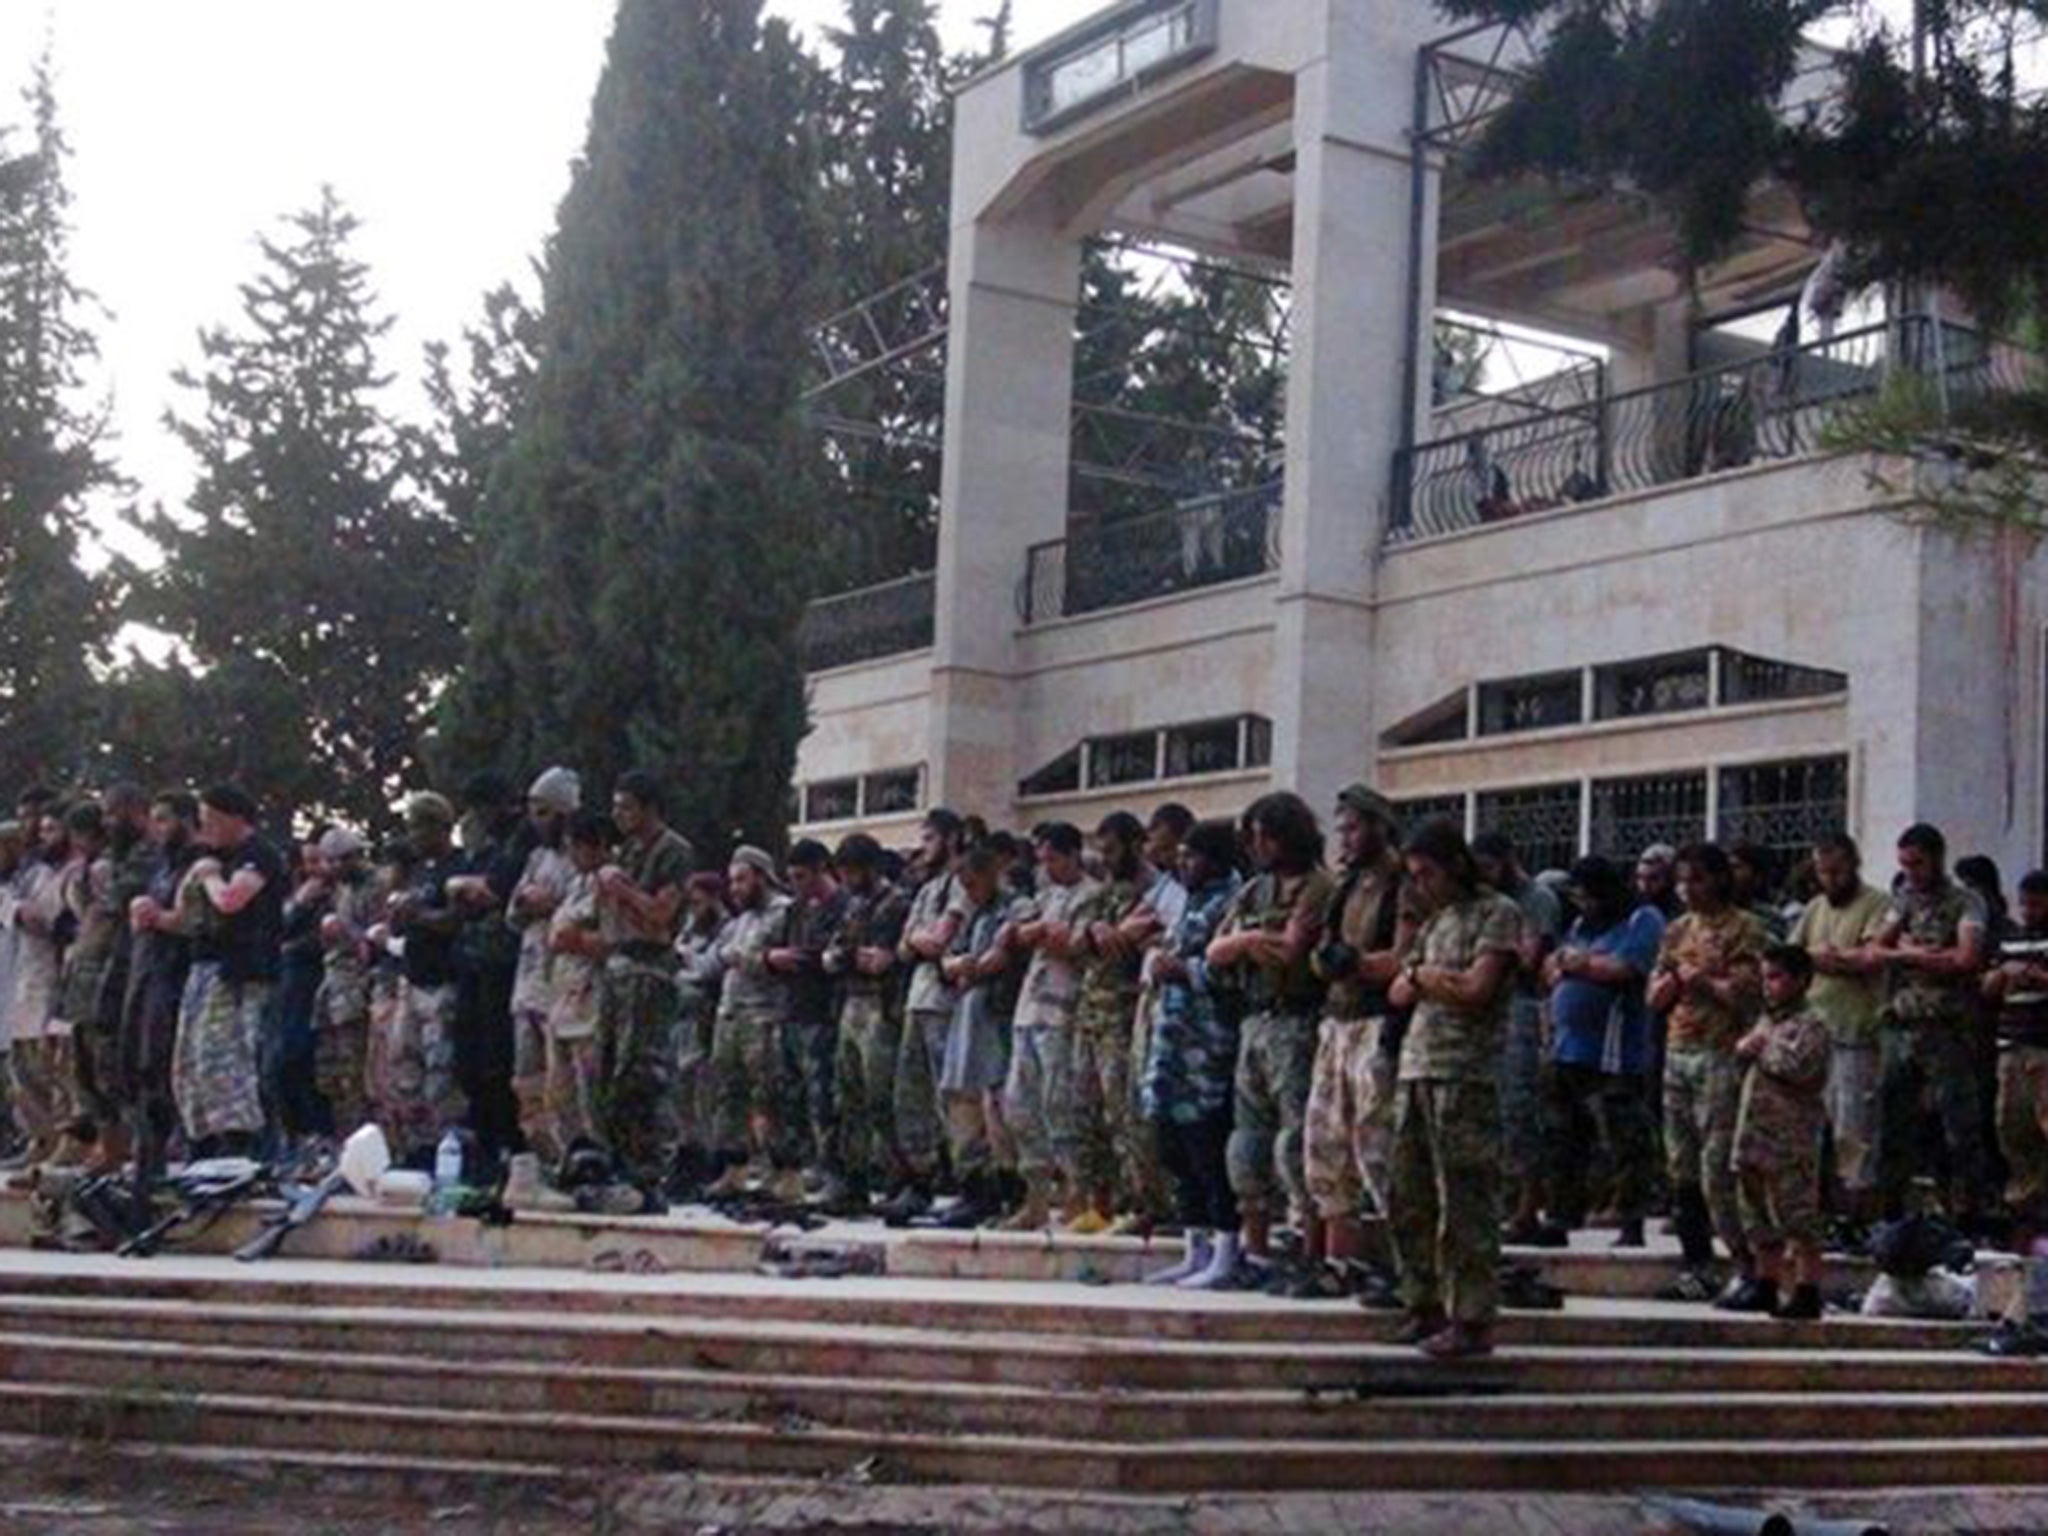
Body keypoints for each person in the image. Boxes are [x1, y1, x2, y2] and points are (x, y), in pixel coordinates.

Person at [1386, 819, 1524, 1359]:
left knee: (1466, 1202)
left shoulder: (1498, 914)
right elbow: (1398, 988)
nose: (1422, 885)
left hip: (1466, 1073)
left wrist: (1425, 978)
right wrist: (1424, 977)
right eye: (1414, 876)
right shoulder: (1436, 920)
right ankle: (1422, 1303)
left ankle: (1471, 1317)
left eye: (1428, 873)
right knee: (1408, 1197)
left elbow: (1476, 987)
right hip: (1417, 1068)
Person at [1207, 793, 1334, 1279]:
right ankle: (1254, 1248)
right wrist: (1244, 942)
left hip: (1297, 1020)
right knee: (1247, 1143)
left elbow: (1290, 950)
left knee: (1297, 1140)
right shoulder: (1255, 890)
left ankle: (1310, 1247)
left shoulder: (1318, 886)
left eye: (1265, 834)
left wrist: (1248, 943)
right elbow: (1217, 950)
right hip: (1255, 1018)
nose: (1257, 844)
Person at [1301, 785, 1414, 1297]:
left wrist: (1358, 964)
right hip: (1336, 1022)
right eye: (1340, 828)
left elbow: (1406, 959)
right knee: (1324, 1145)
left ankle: (1405, 1267)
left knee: (1380, 1148)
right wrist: (1328, 960)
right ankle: (1340, 1264)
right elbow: (1320, 952)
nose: (1343, 838)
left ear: (1378, 826)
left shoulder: (1405, 883)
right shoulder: (1346, 885)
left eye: (1352, 827)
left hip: (1379, 1025)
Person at [1648, 843, 1767, 1302]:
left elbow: (1744, 995)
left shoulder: (1745, 928)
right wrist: (1672, 982)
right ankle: (1695, 1264)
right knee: (1681, 1164)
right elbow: (1654, 996)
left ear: (1718, 878)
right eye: (1681, 880)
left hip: (1721, 1052)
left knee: (1718, 1164)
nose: (1687, 889)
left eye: (1696, 879)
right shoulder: (1677, 930)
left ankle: (1746, 1262)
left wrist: (1698, 980)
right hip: (1679, 1049)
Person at [1539, 855, 1664, 1249]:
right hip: (1567, 1048)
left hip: (1613, 1051)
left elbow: (1626, 968)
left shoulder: (1641, 919)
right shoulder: (1580, 925)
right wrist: (1565, 964)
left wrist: (1581, 965)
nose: (1584, 905)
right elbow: (1553, 966)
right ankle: (1561, 1216)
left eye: (1590, 897)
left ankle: (1631, 1222)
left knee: (1624, 1139)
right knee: (1563, 1138)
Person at [1141, 819, 1245, 1286]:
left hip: (1209, 1045)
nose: (1183, 864)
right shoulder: (1192, 903)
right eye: (1181, 856)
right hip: (1173, 1041)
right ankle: (1195, 1246)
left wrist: (1182, 969)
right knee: (1173, 1144)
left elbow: (1234, 972)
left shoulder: (1234, 901)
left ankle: (1226, 1250)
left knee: (1208, 1145)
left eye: (1192, 856)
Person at [1873, 823, 1991, 1226]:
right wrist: (1921, 953)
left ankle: (1967, 1216)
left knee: (1959, 1130)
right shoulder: (1904, 898)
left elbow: (1966, 959)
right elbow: (1877, 947)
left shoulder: (1966, 901)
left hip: (1947, 1030)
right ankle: (1892, 1217)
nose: (1910, 872)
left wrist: (1908, 954)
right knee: (1894, 1126)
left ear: (1937, 858)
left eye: (1917, 863)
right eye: (1904, 864)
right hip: (1903, 1026)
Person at [592, 771, 693, 1204]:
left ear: (649, 808)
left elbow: (660, 917)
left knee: (643, 1076)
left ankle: (648, 1175)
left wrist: (623, 889)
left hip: (650, 971)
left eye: (626, 806)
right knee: (611, 1074)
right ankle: (620, 1165)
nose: (618, 815)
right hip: (618, 965)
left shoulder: (673, 851)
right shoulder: (628, 851)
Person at [173, 785, 286, 1159]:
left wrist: (208, 876)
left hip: (240, 971)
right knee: (191, 1059)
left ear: (232, 818)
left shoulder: (259, 855)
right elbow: (188, 916)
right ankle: (202, 1141)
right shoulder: (214, 856)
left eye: (210, 822)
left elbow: (232, 900)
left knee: (225, 1059)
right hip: (204, 965)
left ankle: (241, 1145)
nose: (205, 831)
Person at [1791, 833, 1890, 1236]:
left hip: (1856, 1035)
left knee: (1854, 1132)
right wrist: (1824, 959)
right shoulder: (1814, 909)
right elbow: (1793, 957)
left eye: (1836, 871)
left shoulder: (1877, 903)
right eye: (1821, 872)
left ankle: (1856, 1218)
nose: (1828, 880)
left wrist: (1830, 959)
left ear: (1854, 865)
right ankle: (1820, 1215)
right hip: (1814, 1036)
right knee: (1813, 1131)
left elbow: (1868, 959)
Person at [1001, 822, 1096, 1231]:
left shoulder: (1092, 895)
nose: (1047, 867)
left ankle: (1076, 1191)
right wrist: (1033, 933)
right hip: (1030, 1010)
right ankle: (1035, 1196)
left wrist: (1039, 935)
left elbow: (1074, 945)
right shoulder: (1045, 895)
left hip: (1063, 1011)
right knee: (1019, 1104)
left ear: (1073, 854)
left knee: (1061, 1105)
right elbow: (1015, 934)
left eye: (1053, 858)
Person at [1729, 944, 1832, 1319]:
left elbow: (1799, 1066)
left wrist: (1759, 1048)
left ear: (1801, 980)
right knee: (1756, 1212)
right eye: (1765, 977)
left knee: (1797, 1213)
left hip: (1791, 1136)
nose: (1768, 985)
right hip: (1755, 1131)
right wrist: (1749, 1046)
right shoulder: (1768, 1019)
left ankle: (1807, 1288)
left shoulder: (1812, 1023)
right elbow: (1743, 1050)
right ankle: (1765, 1282)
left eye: (1776, 977)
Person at [1472, 829, 1564, 1243]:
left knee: (1520, 1109)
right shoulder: (1484, 901)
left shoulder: (1536, 899)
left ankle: (1529, 1207)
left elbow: (1529, 957)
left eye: (1490, 866)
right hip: (1487, 1013)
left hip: (1523, 1008)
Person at [1068, 812, 1153, 1233]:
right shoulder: (1102, 893)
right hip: (1090, 1013)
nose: (1106, 858)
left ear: (1137, 844)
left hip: (1125, 1014)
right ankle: (1097, 1202)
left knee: (1125, 1113)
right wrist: (1098, 934)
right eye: (1101, 850)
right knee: (1086, 1112)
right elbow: (1074, 940)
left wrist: (1109, 934)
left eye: (1113, 849)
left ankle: (1141, 1203)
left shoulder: (1156, 890)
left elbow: (1132, 940)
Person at [885, 810, 968, 1221]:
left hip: (945, 1003)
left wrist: (921, 940)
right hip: (917, 998)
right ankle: (919, 1179)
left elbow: (939, 941)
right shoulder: (926, 888)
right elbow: (905, 946)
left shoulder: (961, 885)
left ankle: (956, 1181)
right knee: (910, 1096)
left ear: (952, 839)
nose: (924, 847)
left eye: (932, 838)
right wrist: (921, 940)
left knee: (946, 1096)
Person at [938, 844, 1025, 1226]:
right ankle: (973, 1188)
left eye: (973, 884)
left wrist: (978, 965)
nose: (969, 893)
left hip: (997, 1015)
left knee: (997, 1107)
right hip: (967, 1015)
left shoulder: (1016, 907)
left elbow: (1003, 954)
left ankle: (1009, 1191)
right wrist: (958, 964)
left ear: (991, 874)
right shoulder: (975, 914)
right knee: (962, 1105)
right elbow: (949, 957)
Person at [449, 773, 533, 1161]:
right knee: (469, 1059)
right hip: (475, 959)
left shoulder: (523, 837)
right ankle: (485, 1141)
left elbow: (491, 892)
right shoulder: (488, 845)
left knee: (500, 1060)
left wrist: (463, 888)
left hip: (506, 962)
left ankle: (508, 1145)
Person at [821, 835, 906, 1213]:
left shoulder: (895, 903)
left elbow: (883, 959)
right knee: (848, 1095)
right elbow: (835, 954)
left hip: (880, 1005)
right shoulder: (852, 904)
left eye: (851, 871)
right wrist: (847, 957)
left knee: (881, 1096)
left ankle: (898, 1178)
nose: (847, 879)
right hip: (852, 1001)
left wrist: (850, 957)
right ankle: (852, 1180)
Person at [120, 792, 200, 1188]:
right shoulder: (159, 867)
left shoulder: (200, 864)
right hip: (147, 972)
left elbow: (198, 923)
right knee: (139, 1066)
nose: (157, 829)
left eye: (165, 820)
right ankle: (146, 1153)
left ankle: (174, 1148)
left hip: (177, 977)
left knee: (166, 1067)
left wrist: (159, 917)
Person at [72, 786, 152, 1172]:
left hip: (125, 973)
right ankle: (109, 1147)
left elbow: (118, 903)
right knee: (87, 1067)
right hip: (92, 977)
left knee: (117, 1068)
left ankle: (133, 1148)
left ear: (136, 812)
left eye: (113, 813)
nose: (107, 823)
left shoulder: (144, 856)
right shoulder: (107, 861)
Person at [385, 792, 467, 1164]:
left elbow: (453, 919)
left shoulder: (457, 866)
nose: (413, 835)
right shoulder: (419, 871)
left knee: (439, 1070)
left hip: (442, 980)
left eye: (419, 826)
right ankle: (415, 1143)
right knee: (404, 1063)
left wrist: (416, 915)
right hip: (412, 978)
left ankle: (443, 1146)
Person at [708, 846, 794, 1200]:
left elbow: (782, 961)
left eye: (742, 879)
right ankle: (735, 1168)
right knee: (730, 1093)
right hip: (730, 1012)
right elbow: (717, 954)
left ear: (761, 876)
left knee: (770, 1095)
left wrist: (744, 957)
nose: (735, 888)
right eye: (732, 881)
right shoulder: (739, 919)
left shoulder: (784, 912)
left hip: (765, 1014)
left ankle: (785, 1171)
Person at [506, 768, 581, 1160]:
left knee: (562, 1082)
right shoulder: (535, 858)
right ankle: (537, 1155)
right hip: (528, 982)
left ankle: (569, 1155)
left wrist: (547, 904)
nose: (536, 821)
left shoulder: (580, 857)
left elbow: (583, 912)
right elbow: (513, 912)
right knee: (526, 1080)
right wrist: (526, 902)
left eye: (544, 812)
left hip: (563, 985)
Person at [7, 808, 84, 1168]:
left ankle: (67, 1141)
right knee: (22, 1071)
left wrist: (20, 912)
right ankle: (41, 1138)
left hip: (55, 981)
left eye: (52, 829)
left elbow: (53, 924)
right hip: (21, 984)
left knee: (56, 1068)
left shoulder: (74, 873)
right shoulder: (34, 875)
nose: (42, 837)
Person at [771, 840, 848, 1196]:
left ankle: (832, 1166)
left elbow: (834, 956)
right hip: (792, 1008)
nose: (796, 885)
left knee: (825, 1097)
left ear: (821, 869)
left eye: (802, 876)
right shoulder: (796, 909)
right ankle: (799, 1168)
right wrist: (776, 957)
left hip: (823, 1011)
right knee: (791, 1096)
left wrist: (802, 958)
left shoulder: (841, 906)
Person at [541, 811, 614, 1162]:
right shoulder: (575, 886)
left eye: (576, 847)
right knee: (559, 1091)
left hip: (593, 996)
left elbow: (618, 940)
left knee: (592, 1091)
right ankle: (569, 1159)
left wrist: (577, 940)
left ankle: (601, 1157)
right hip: (562, 997)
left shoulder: (610, 883)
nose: (570, 855)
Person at [1986, 871, 2048, 1253]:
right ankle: (2024, 1210)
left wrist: (2036, 978)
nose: (2029, 911)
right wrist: (2001, 977)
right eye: (2025, 903)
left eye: (2037, 903)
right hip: (2011, 1047)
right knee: (2012, 1127)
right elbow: (1987, 985)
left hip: (2045, 1049)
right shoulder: (2010, 939)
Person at [311, 827, 378, 1140]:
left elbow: (374, 943)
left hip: (359, 988)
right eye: (330, 862)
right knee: (331, 1073)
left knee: (358, 1070)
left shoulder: (376, 886)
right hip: (334, 985)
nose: (335, 868)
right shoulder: (338, 890)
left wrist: (345, 933)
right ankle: (342, 1140)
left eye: (343, 861)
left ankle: (365, 1139)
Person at [674, 871, 732, 1188]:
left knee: (708, 1094)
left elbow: (709, 969)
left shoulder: (725, 928)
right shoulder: (689, 927)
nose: (693, 908)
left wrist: (685, 960)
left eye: (698, 901)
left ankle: (714, 1158)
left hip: (708, 1015)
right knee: (682, 1092)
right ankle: (688, 1155)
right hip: (682, 1018)